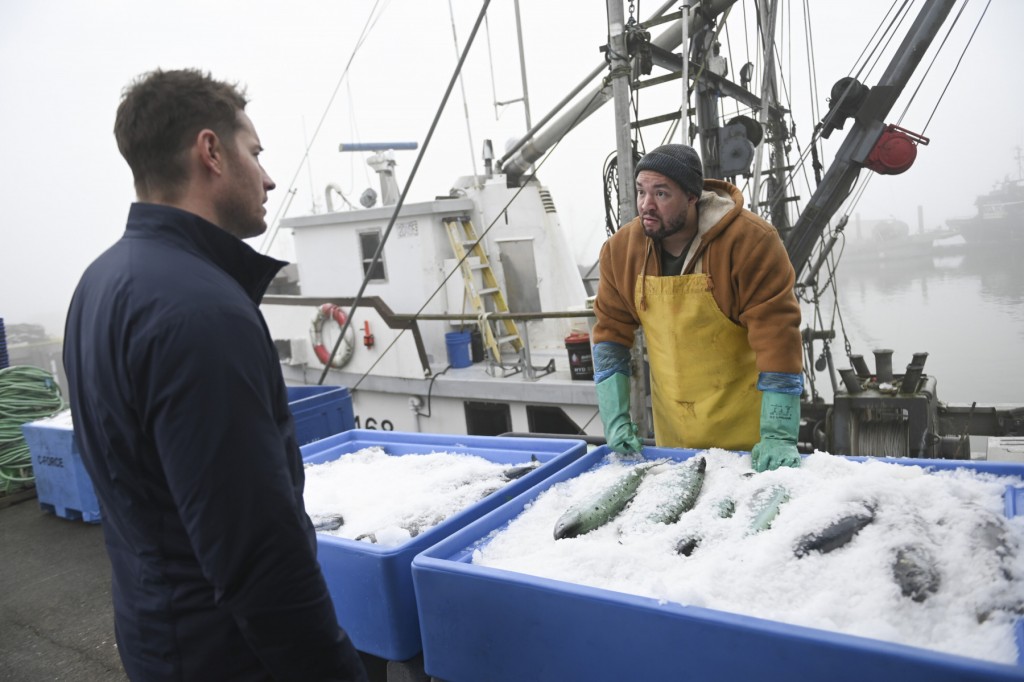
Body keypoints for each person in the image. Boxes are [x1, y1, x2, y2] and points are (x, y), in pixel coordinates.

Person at [62, 69, 368, 681]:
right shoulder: (201, 309)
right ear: (210, 152)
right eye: (254, 153)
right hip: (229, 657)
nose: (269, 177)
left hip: (156, 635)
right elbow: (255, 550)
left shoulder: (99, 284)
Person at [591, 143, 804, 472]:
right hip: (674, 444)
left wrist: (777, 434)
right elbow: (610, 334)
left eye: (661, 194)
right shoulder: (621, 251)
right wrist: (615, 418)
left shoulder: (751, 241)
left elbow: (777, 337)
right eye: (641, 191)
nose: (647, 205)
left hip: (748, 446)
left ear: (693, 197)